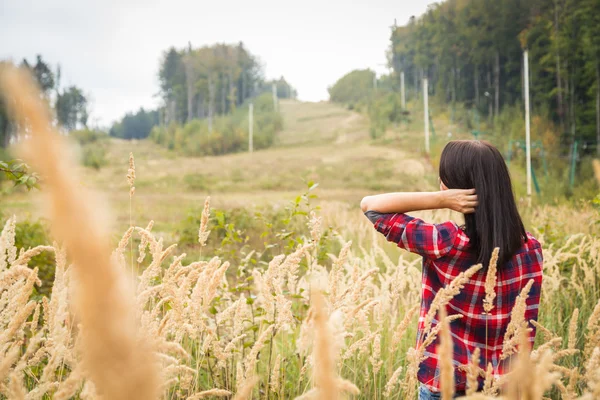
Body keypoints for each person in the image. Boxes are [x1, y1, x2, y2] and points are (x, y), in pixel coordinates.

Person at [360, 140, 543, 399]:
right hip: (506, 387)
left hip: (446, 384)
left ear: (455, 190)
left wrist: (440, 199)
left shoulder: (446, 241)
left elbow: (370, 205)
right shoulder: (532, 249)